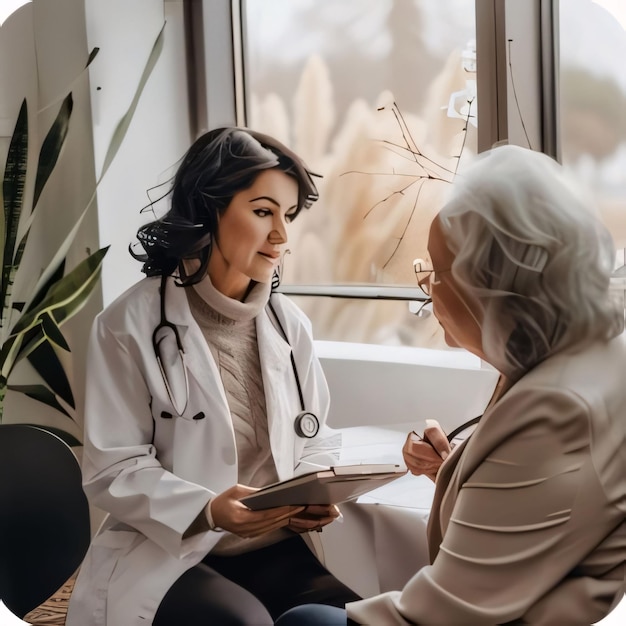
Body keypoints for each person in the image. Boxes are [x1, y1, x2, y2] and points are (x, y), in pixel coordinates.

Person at [275, 144, 626, 625]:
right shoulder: (585, 355)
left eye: (435, 273)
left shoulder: (555, 407)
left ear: (487, 282)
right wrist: (456, 471)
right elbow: (549, 508)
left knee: (306, 620)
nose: (428, 288)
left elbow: (447, 610)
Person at [66, 127, 361, 626]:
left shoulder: (290, 326)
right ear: (210, 209)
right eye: (264, 211)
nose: (281, 236)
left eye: (287, 216)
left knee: (356, 612)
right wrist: (207, 510)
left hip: (279, 542)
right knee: (242, 622)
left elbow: (316, 437)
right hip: (174, 549)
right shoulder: (128, 325)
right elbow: (113, 471)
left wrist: (317, 491)